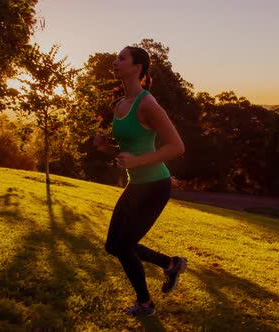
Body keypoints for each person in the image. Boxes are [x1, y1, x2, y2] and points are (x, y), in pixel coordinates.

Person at [93, 46, 188, 317]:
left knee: (123, 245)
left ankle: (145, 304)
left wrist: (136, 162)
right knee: (114, 245)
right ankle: (170, 263)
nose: (115, 61)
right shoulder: (121, 104)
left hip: (155, 185)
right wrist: (104, 148)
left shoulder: (148, 103)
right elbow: (129, 151)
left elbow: (177, 146)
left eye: (122, 58)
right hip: (136, 185)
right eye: (116, 57)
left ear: (137, 68)